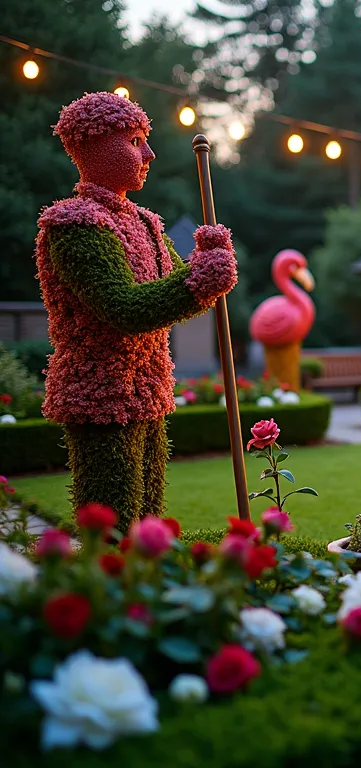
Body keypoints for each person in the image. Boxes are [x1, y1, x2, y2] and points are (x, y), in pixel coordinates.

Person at [35, 91, 237, 530]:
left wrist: (209, 261)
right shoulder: (74, 224)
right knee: (112, 525)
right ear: (92, 146)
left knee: (147, 523)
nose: (149, 152)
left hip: (150, 390)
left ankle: (146, 594)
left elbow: (180, 290)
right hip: (100, 394)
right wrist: (200, 278)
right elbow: (123, 307)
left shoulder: (146, 222)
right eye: (133, 141)